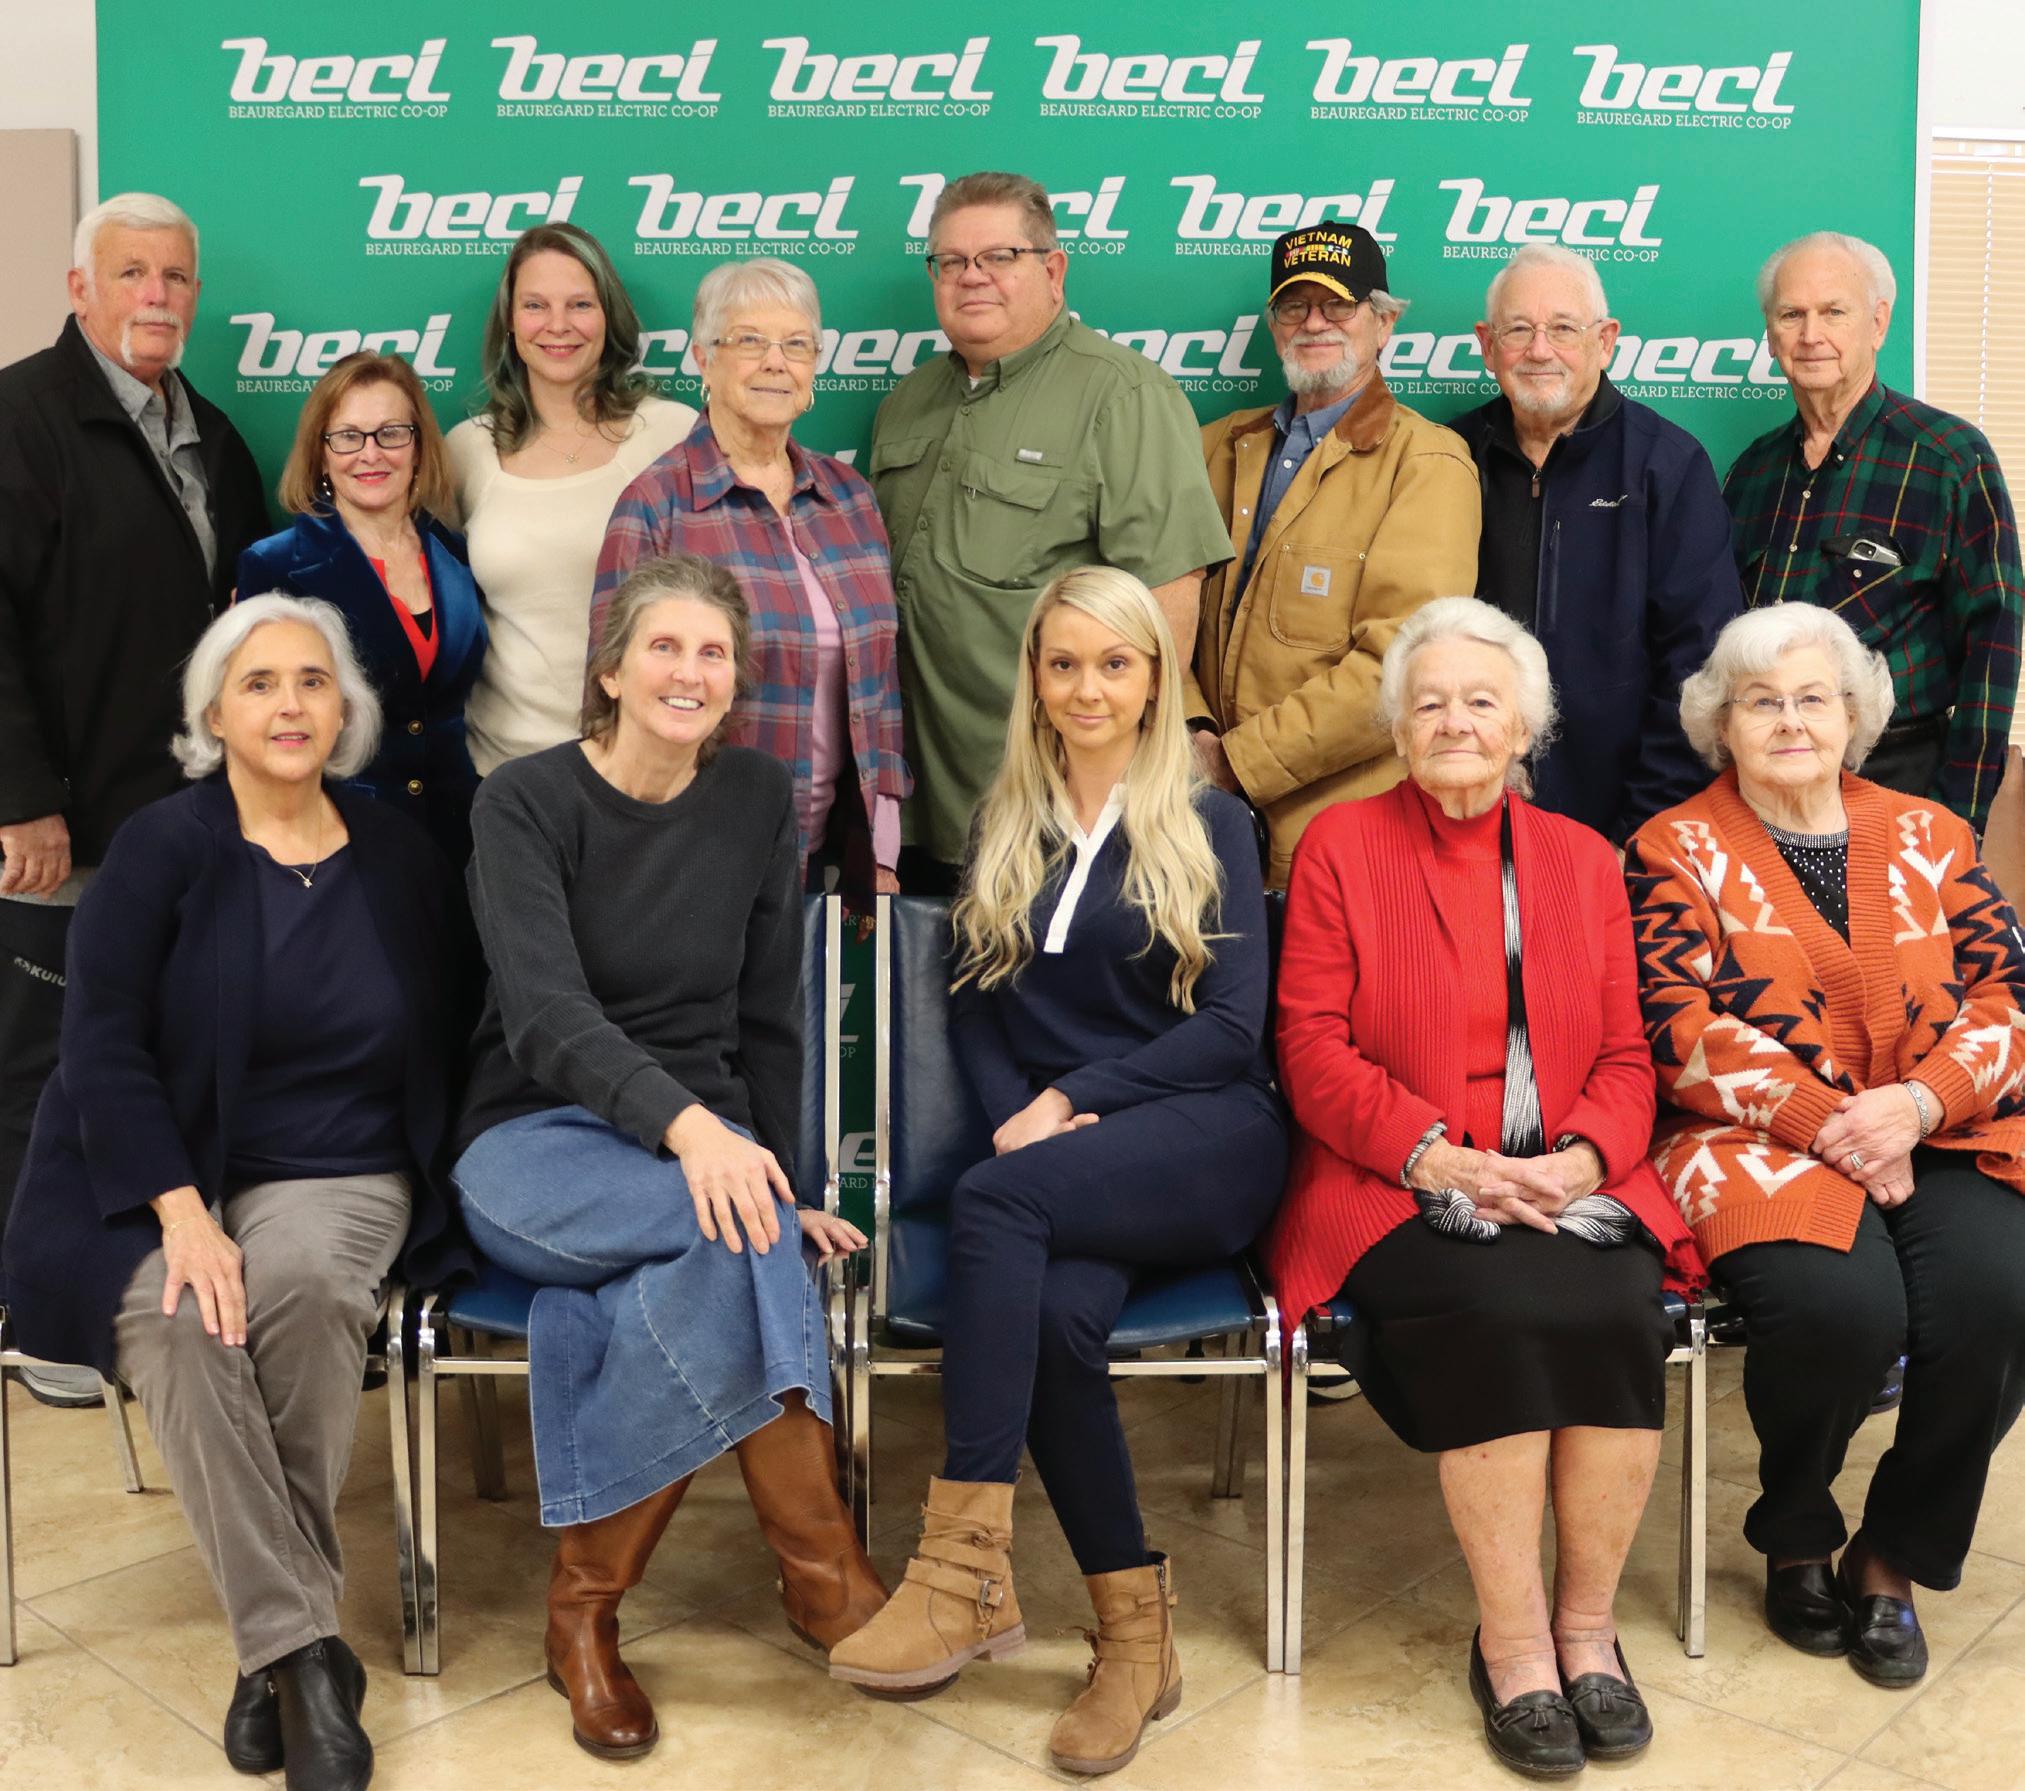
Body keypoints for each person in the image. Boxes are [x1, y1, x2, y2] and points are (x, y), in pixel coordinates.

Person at [0, 595, 470, 1791]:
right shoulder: (161, 847)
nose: (289, 705)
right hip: (156, 1164)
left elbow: (455, 1028)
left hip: (344, 1159)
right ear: (214, 715)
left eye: (313, 681)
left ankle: (275, 1650)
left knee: (304, 1289)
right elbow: (101, 1042)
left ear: (346, 710)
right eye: (259, 684)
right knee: (183, 1315)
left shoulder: (401, 854)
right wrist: (180, 1211)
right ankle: (303, 1654)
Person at [828, 566, 1286, 1777]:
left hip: (1204, 1134)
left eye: (1115, 664)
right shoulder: (1005, 820)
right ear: (1034, 677)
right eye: (1065, 663)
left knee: (997, 1206)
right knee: (1049, 1323)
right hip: (1054, 1164)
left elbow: (1232, 1028)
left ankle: (960, 1574)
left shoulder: (1211, 820)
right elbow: (977, 1002)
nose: (1089, 688)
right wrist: (1019, 1124)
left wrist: (1073, 1106)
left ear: (1154, 678)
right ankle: (1137, 1641)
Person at [449, 553, 881, 1760]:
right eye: (664, 647)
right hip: (531, 1141)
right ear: (611, 670)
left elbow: (768, 1017)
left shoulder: (754, 797)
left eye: (712, 653)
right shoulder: (523, 803)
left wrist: (779, 1178)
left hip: (703, 1162)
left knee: (726, 1248)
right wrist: (698, 1139)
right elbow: (544, 1017)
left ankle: (583, 1615)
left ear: (736, 682)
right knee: (735, 1240)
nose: (688, 672)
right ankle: (827, 1579)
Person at [1268, 597, 1704, 1778]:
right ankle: (1512, 1646)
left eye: (1480, 701)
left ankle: (1586, 1632)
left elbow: (1628, 1057)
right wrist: (1435, 1157)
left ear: (1525, 727)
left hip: (1562, 1176)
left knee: (1617, 1309)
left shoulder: (1584, 858)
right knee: (1505, 1311)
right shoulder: (1340, 846)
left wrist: (1581, 1161)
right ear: (1398, 729)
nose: (1455, 722)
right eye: (1430, 703)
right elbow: (1310, 1047)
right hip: (1390, 1177)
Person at [1625, 601, 2025, 1689]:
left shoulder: (1935, 834)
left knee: (1999, 1295)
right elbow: (1674, 1025)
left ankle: (1892, 1552)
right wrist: (1833, 1124)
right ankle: (1797, 1528)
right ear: (1721, 724)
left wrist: (1920, 1105)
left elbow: (2007, 995)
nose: (1790, 721)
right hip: (1752, 1134)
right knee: (1840, 1311)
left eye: (1813, 699)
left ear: (1854, 716)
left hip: (1937, 1127)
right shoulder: (1671, 847)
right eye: (1761, 701)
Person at [869, 171, 1233, 890]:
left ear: (1053, 270)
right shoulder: (906, 401)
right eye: (951, 261)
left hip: (1045, 815)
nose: (972, 276)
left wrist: (1118, 797)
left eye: (999, 257)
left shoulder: (1125, 395)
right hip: (906, 808)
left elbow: (1165, 607)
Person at [592, 258, 908, 897]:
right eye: (750, 341)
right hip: (698, 857)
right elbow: (611, 703)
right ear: (703, 359)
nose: (775, 362)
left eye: (796, 344)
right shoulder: (657, 506)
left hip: (838, 856)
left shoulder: (850, 497)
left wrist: (881, 849)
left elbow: (882, 688)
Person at [1190, 223, 1480, 888]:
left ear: (1384, 324)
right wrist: (1190, 732)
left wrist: (1233, 763)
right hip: (1191, 826)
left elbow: (1399, 664)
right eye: (1294, 306)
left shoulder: (1427, 463)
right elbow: (1156, 616)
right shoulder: (1212, 446)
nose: (1314, 323)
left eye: (1338, 305)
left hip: (1338, 846)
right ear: (1273, 327)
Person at [1724, 231, 2023, 831]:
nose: (1811, 335)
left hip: (1900, 779)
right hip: (1763, 784)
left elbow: (1994, 641)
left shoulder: (1949, 457)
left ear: (1878, 324)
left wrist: (1958, 814)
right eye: (1792, 315)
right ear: (1771, 334)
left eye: (1834, 312)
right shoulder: (1751, 472)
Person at [1451, 245, 1741, 842]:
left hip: (1621, 828)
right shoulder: (1447, 457)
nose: (1539, 350)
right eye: (1518, 330)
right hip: (1463, 812)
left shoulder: (1668, 465)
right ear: (1486, 344)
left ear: (1605, 341)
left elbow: (1699, 668)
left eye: (1563, 329)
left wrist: (1640, 831)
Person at [447, 223, 696, 774]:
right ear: (510, 322)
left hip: (643, 767)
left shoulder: (673, 434)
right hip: (504, 773)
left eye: (580, 304)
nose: (557, 325)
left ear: (609, 317)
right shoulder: (466, 450)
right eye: (535, 305)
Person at [239, 353, 486, 867]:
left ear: (418, 447)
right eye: (348, 436)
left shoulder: (456, 553)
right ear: (320, 453)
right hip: (338, 844)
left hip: (460, 837)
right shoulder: (276, 566)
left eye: (391, 433)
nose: (370, 454)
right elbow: (257, 736)